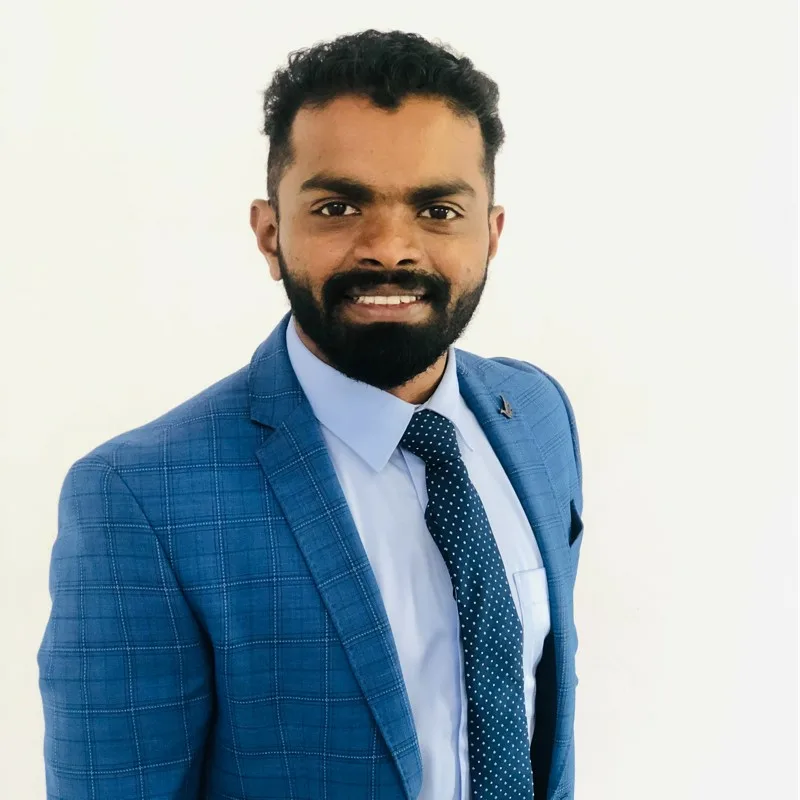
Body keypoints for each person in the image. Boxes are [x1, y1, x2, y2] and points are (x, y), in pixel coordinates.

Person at [37, 28, 584, 800]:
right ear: (270, 233)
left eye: (437, 209)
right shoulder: (138, 499)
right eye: (338, 206)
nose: (390, 249)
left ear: (490, 234)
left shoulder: (536, 414)